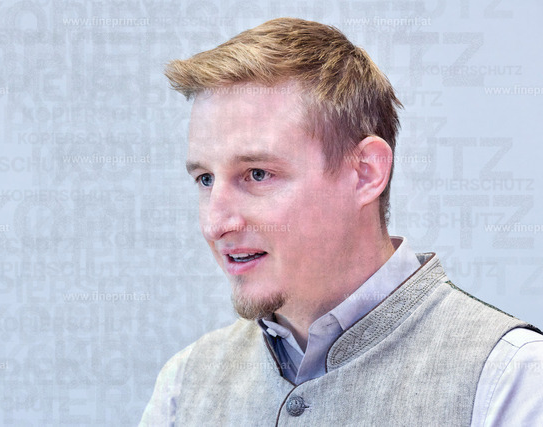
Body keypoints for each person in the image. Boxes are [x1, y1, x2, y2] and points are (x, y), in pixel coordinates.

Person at [140, 18, 543, 426]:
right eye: (205, 179)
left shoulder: (512, 380)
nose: (215, 224)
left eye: (257, 174)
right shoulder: (183, 387)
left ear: (365, 173)